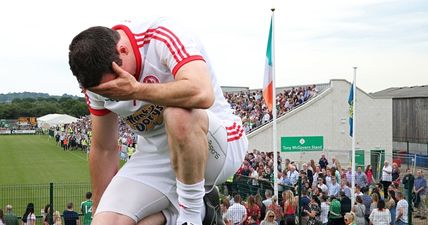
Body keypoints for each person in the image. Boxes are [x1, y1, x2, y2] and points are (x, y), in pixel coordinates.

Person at [68, 17, 248, 225]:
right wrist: (99, 209)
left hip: (214, 145)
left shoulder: (162, 36)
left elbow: (202, 93)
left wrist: (136, 90)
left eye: (115, 85)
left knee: (177, 112)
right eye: (109, 91)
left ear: (124, 51)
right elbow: (104, 148)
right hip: (156, 154)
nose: (114, 93)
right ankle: (181, 213)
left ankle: (190, 216)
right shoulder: (97, 83)